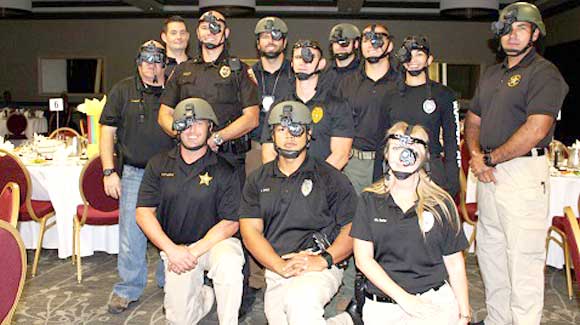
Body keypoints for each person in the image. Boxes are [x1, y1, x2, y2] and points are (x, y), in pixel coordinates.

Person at [465, 2, 569, 325]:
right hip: (488, 174)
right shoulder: (493, 74)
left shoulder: (544, 73)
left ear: (535, 34)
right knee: (491, 258)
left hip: (522, 174)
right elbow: (472, 120)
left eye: (521, 28)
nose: (512, 35)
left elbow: (536, 129)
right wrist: (477, 157)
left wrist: (490, 158)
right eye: (507, 29)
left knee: (523, 262)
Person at [239, 101, 358, 325]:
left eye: (297, 129)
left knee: (299, 304)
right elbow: (250, 232)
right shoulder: (257, 179)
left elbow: (353, 228)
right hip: (277, 266)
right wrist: (278, 265)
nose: (289, 136)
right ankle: (346, 321)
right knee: (283, 317)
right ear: (272, 134)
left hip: (319, 264)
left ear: (309, 134)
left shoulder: (331, 177)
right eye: (282, 129)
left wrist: (324, 259)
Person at [136, 98, 244, 325]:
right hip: (176, 248)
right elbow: (143, 213)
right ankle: (205, 295)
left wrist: (192, 253)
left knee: (230, 264)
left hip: (215, 244)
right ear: (176, 129)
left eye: (199, 123)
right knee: (179, 320)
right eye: (185, 124)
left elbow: (231, 223)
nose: (192, 130)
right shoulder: (158, 164)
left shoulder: (226, 169)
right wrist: (172, 250)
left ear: (210, 127)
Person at [351, 122, 471, 325]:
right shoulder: (369, 200)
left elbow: (454, 262)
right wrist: (405, 300)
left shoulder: (440, 204)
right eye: (397, 149)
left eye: (412, 150)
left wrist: (464, 314)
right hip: (384, 304)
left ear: (424, 157)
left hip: (433, 301)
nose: (403, 156)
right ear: (387, 154)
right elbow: (364, 260)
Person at [99, 40, 174, 314]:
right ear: (138, 61)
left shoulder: (174, 90)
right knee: (131, 234)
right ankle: (127, 288)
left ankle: (172, 285)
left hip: (171, 173)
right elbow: (107, 132)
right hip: (133, 172)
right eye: (146, 60)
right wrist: (109, 171)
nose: (151, 66)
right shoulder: (122, 89)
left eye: (157, 61)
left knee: (170, 231)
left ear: (164, 64)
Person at [158, 10, 259, 186]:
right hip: (188, 160)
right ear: (197, 33)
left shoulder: (239, 71)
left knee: (231, 213)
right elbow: (164, 114)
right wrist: (185, 136)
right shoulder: (182, 70)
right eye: (204, 27)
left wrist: (217, 138)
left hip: (228, 158)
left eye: (216, 27)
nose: (210, 32)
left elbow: (252, 118)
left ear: (226, 33)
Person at [261, 40, 354, 170]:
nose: (303, 62)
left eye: (309, 57)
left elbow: (340, 155)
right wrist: (282, 180)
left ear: (321, 64)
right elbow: (268, 152)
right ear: (292, 63)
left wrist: (313, 182)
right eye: (298, 57)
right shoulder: (279, 107)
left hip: (323, 182)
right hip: (284, 182)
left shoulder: (337, 105)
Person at [388, 35, 460, 197]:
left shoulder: (443, 94)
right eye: (408, 54)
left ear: (429, 60)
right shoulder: (390, 96)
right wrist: (380, 178)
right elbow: (382, 140)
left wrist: (453, 182)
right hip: (396, 170)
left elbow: (451, 142)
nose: (413, 59)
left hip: (431, 170)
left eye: (419, 54)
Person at [337, 23, 398, 194]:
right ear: (360, 45)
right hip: (354, 164)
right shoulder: (346, 84)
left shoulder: (402, 83)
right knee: (352, 217)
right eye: (366, 39)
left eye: (378, 38)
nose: (372, 43)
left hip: (391, 162)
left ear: (390, 45)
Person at [249, 16, 294, 149]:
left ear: (285, 43)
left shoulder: (297, 74)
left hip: (289, 146)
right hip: (254, 146)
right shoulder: (246, 76)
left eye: (276, 36)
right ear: (258, 43)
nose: (271, 40)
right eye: (265, 36)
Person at [320, 23, 361, 92]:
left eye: (344, 42)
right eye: (336, 42)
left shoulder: (363, 72)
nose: (340, 47)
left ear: (356, 44)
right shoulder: (324, 74)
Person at [160, 16, 191, 81]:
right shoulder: (158, 68)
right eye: (173, 33)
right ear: (164, 37)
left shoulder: (197, 67)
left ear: (187, 36)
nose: (179, 37)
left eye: (182, 33)